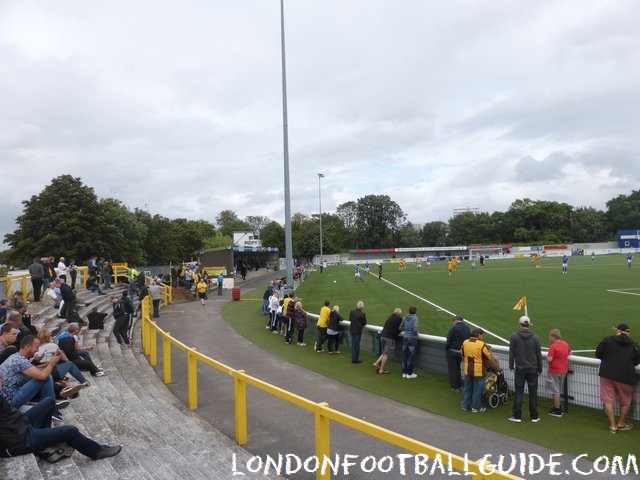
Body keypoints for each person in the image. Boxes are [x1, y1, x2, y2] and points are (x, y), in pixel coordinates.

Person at [0, 389, 121, 461]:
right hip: (19, 440)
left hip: (20, 425)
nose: (2, 379)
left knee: (49, 401)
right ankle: (96, 452)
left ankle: (42, 446)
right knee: (70, 431)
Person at [0, 336, 65, 417]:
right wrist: (51, 364)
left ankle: (51, 406)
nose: (37, 350)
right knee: (45, 377)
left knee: (43, 375)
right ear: (28, 347)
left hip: (5, 400)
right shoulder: (20, 361)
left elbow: (35, 370)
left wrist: (49, 362)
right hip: (9, 403)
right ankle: (51, 408)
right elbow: (42, 376)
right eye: (36, 347)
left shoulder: (15, 357)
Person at [595, 323, 640, 433]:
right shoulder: (634, 345)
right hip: (625, 377)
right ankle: (621, 423)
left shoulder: (608, 340)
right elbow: (637, 362)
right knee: (625, 401)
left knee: (608, 400)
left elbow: (598, 354)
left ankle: (613, 426)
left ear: (618, 331)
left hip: (607, 375)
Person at [508, 316, 543, 423]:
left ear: (520, 324)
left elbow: (512, 353)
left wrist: (511, 366)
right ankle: (534, 416)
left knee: (519, 392)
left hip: (520, 369)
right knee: (533, 393)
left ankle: (517, 415)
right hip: (533, 369)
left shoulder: (514, 336)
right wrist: (540, 368)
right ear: (528, 325)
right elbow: (538, 354)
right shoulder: (535, 337)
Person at [460, 328, 492, 413]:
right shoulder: (481, 345)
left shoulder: (465, 342)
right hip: (478, 371)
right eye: (482, 335)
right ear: (478, 335)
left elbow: (462, 354)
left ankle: (465, 405)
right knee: (478, 390)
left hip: (467, 369)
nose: (483, 337)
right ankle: (476, 407)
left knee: (467, 388)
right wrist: (489, 349)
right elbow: (488, 357)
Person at [546, 328, 571, 417]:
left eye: (549, 336)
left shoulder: (553, 346)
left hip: (554, 370)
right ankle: (557, 407)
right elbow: (570, 352)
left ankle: (558, 410)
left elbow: (549, 359)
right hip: (563, 370)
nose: (549, 338)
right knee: (558, 390)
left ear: (553, 337)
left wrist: (547, 358)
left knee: (555, 391)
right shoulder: (565, 344)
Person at [445, 315, 471, 392]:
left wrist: (446, 348)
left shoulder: (454, 328)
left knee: (453, 369)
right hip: (461, 352)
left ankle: (454, 387)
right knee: (458, 369)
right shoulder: (467, 328)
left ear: (456, 320)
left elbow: (448, 339)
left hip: (452, 351)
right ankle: (459, 386)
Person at [373, 308, 402, 374]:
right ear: (399, 314)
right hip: (389, 338)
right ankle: (381, 369)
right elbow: (401, 327)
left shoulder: (390, 317)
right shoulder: (398, 318)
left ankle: (376, 363)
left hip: (383, 336)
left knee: (384, 353)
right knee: (386, 354)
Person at [399, 306, 419, 378]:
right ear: (415, 312)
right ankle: (409, 373)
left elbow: (400, 327)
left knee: (404, 355)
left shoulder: (405, 317)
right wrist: (416, 334)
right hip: (412, 339)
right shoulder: (415, 318)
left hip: (405, 338)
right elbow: (415, 329)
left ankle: (404, 372)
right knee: (411, 356)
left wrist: (406, 332)